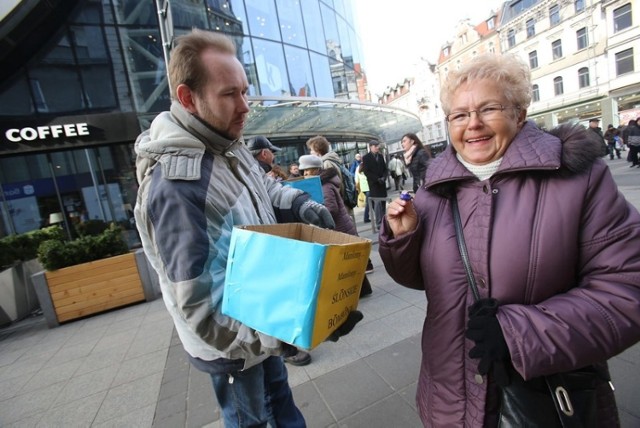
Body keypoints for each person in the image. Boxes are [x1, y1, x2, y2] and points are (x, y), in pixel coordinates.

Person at [379, 53, 640, 427]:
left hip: (544, 399)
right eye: (459, 115)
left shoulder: (579, 178)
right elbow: (420, 281)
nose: (473, 125)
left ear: (519, 113)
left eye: (489, 108)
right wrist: (403, 238)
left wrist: (520, 334)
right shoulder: (432, 190)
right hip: (450, 399)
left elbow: (626, 289)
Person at [134, 29, 362, 427]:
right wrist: (293, 332)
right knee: (249, 419)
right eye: (229, 94)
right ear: (188, 98)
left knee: (282, 406)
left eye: (244, 91)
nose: (245, 107)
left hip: (263, 319)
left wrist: (300, 203)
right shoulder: (177, 187)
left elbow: (264, 185)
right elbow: (204, 309)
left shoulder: (225, 141)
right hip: (232, 344)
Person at [298, 154, 373, 296]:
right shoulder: (322, 183)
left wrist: (317, 212)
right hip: (341, 227)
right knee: (349, 262)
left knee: (348, 263)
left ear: (315, 169)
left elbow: (331, 208)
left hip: (339, 228)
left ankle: (361, 291)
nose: (305, 174)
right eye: (304, 171)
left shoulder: (324, 185)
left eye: (308, 170)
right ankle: (362, 290)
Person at [361, 140, 387, 228]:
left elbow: (385, 169)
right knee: (377, 204)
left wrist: (384, 177)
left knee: (383, 203)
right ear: (371, 147)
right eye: (375, 146)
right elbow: (366, 172)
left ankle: (384, 221)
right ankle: (379, 223)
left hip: (382, 184)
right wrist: (377, 179)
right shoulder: (366, 158)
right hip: (374, 185)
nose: (377, 147)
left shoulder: (380, 156)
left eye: (378, 146)